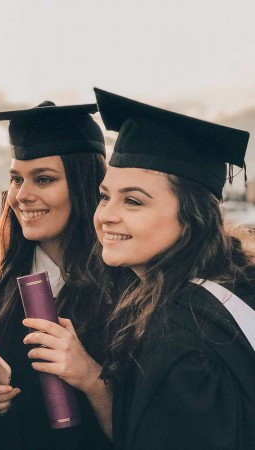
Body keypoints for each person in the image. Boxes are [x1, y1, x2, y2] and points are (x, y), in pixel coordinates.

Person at [93, 88, 255, 450]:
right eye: (105, 196)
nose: (106, 215)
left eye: (133, 201)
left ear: (190, 218)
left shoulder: (181, 338)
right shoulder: (235, 283)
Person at [0, 101, 112, 449]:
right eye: (16, 179)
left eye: (43, 179)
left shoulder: (123, 280)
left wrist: (90, 376)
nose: (23, 196)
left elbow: (150, 427)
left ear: (84, 184)